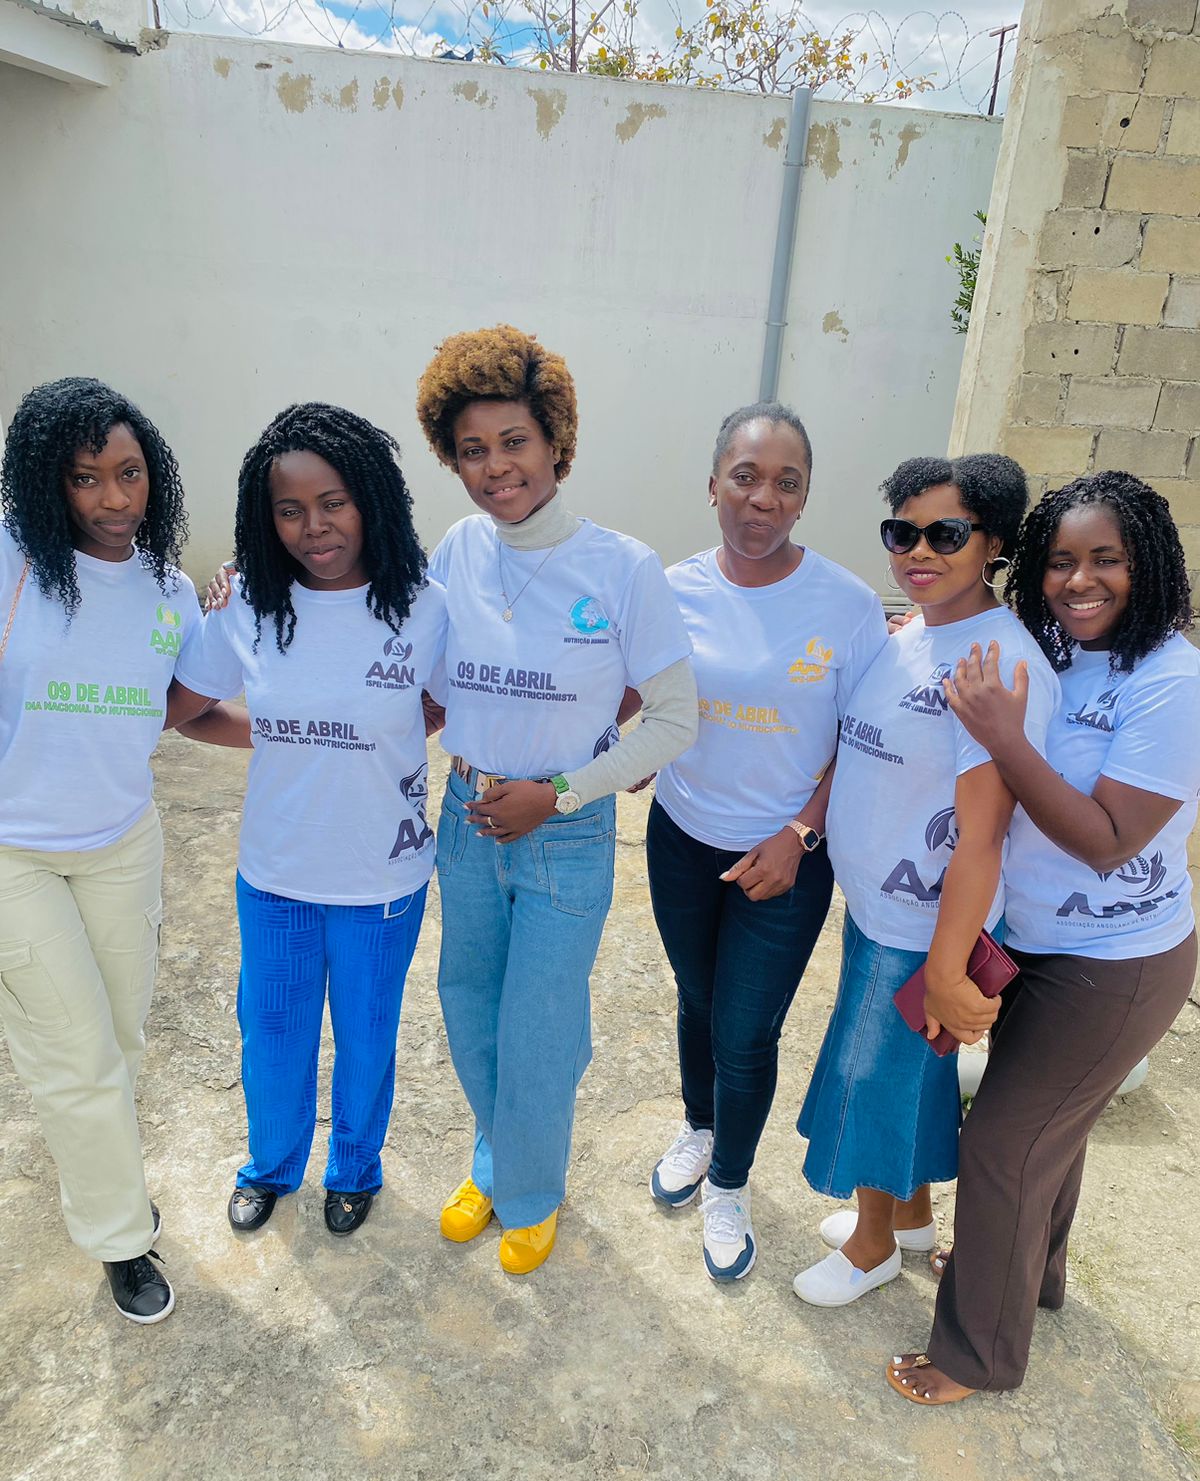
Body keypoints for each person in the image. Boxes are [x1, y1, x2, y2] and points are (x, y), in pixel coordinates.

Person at [887, 471, 1199, 1403]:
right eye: (1061, 561)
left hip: (1117, 964)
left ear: (1148, 563)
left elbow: (1107, 841)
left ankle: (975, 1358)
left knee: (1001, 1145)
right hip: (1033, 939)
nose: (1079, 581)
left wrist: (1005, 737)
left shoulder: (1173, 682)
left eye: (1106, 559)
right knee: (1048, 1135)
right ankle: (1032, 1278)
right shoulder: (1060, 649)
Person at [416, 324, 697, 1273]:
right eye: (472, 449)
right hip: (466, 817)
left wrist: (563, 792)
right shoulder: (458, 549)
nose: (496, 467)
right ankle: (497, 1157)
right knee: (469, 1004)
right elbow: (420, 672)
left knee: (539, 1023)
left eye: (515, 442)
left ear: (556, 441)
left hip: (564, 832)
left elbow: (674, 719)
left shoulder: (622, 568)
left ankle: (532, 1190)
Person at [792, 453, 1060, 1307]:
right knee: (910, 1071)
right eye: (901, 533)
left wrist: (947, 966)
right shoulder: (914, 632)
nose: (918, 551)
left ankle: (871, 1247)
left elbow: (983, 837)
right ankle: (909, 1219)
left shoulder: (994, 663)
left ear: (992, 543)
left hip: (926, 925)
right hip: (878, 909)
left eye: (945, 534)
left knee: (870, 1075)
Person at [174, 403, 446, 1237]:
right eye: (289, 510)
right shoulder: (248, 601)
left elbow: (439, 706)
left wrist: (372, 736)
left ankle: (355, 1169)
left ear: (371, 498)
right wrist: (284, 732)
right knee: (273, 1033)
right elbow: (187, 711)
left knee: (366, 1038)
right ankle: (270, 1166)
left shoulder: (424, 606)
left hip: (382, 877)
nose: (313, 527)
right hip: (276, 873)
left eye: (333, 502)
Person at [0, 376, 235, 1323]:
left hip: (122, 843)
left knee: (122, 1042)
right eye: (85, 477)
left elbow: (178, 708)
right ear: (46, 481)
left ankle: (109, 1184)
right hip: (14, 854)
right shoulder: (12, 560)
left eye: (129, 473)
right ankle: (120, 1237)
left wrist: (297, 732)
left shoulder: (166, 589)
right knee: (77, 1056)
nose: (112, 499)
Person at [644, 402, 888, 1280]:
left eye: (787, 483)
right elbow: (647, 693)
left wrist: (801, 832)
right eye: (745, 477)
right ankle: (701, 1127)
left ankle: (731, 1184)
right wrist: (633, 750)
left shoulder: (849, 606)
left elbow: (862, 740)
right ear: (713, 485)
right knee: (696, 998)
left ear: (805, 497)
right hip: (681, 837)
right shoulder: (670, 589)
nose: (763, 499)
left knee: (745, 1030)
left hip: (785, 860)